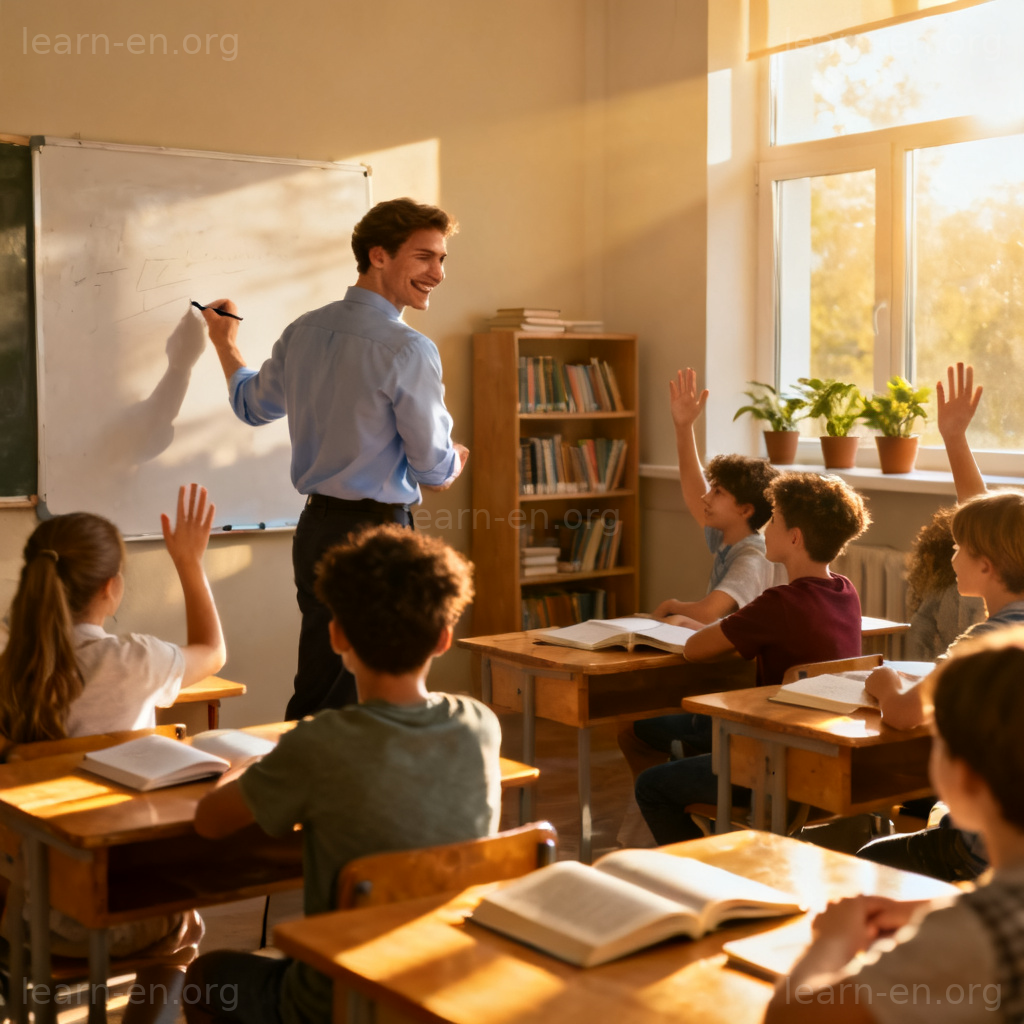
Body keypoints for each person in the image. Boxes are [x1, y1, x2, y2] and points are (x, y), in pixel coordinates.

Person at [182, 524, 502, 1024]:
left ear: (335, 634)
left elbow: (210, 824)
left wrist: (242, 768)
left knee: (207, 977)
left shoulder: (320, 743)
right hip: (443, 979)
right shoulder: (480, 724)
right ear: (444, 638)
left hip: (338, 998)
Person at [200, 198, 469, 720]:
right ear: (379, 256)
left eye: (441, 259)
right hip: (381, 538)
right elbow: (433, 470)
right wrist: (456, 458)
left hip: (317, 530)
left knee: (323, 678)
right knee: (372, 692)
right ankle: (329, 792)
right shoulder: (409, 349)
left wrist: (224, 342)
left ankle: (296, 786)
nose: (437, 272)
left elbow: (252, 405)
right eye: (423, 257)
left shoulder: (304, 331)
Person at [0, 483, 225, 1023]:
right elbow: (213, 652)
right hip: (137, 910)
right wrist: (190, 563)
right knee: (183, 929)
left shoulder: (9, 671)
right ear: (111, 587)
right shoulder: (135, 661)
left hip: (31, 917)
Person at [764, 629, 1024, 1024]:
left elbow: (793, 1014)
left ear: (968, 779)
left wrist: (834, 938)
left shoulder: (973, 937)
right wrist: (929, 908)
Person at [635, 472, 870, 844]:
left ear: (795, 537)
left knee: (650, 784)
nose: (765, 527)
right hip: (826, 756)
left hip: (773, 764)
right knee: (682, 730)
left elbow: (695, 648)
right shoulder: (846, 590)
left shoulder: (779, 602)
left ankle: (700, 870)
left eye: (773, 519)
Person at [617, 368, 784, 779]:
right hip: (722, 666)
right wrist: (682, 428)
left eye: (719, 493)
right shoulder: (730, 536)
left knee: (634, 725)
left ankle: (688, 782)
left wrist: (674, 605)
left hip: (738, 681)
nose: (706, 499)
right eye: (712, 489)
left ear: (746, 510)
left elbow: (711, 613)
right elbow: (694, 492)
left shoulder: (753, 554)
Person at [903, 506, 984, 661]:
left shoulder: (980, 597)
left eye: (960, 550)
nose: (955, 560)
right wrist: (919, 660)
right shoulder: (943, 588)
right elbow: (921, 621)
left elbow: (974, 641)